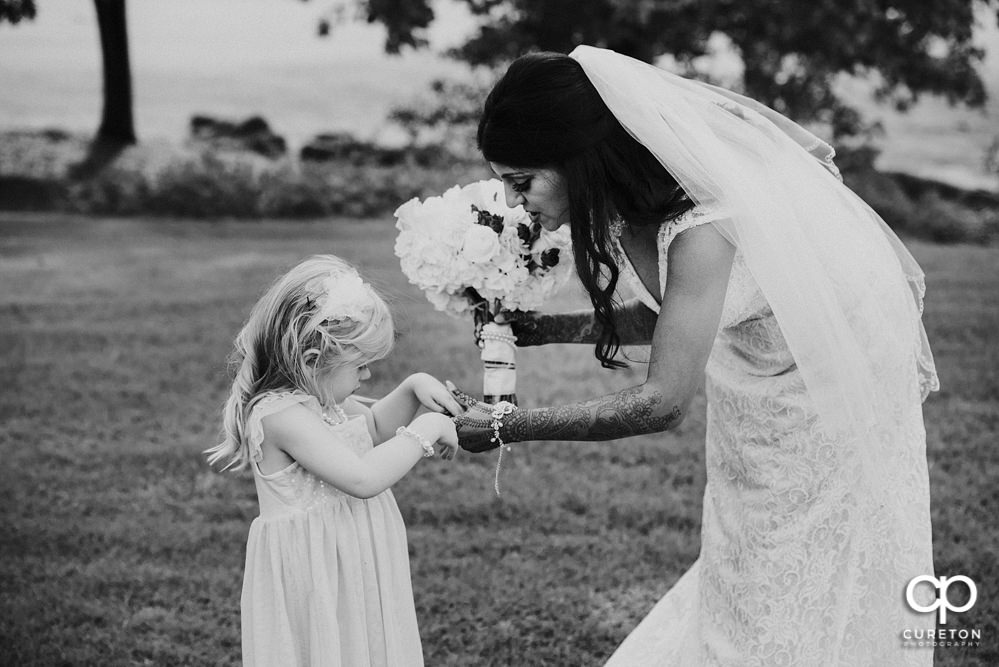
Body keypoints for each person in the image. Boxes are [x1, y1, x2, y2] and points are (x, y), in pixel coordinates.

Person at [450, 46, 939, 665]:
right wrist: (540, 329)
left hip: (826, 408)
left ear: (580, 158)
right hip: (758, 392)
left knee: (795, 569)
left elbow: (663, 402)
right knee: (746, 553)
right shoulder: (638, 208)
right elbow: (679, 315)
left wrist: (505, 424)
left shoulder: (706, 223)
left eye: (522, 182)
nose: (517, 203)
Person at [205, 255, 464, 667]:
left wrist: (414, 388)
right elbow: (363, 479)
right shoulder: (282, 416)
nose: (366, 378)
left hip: (351, 565)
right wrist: (428, 428)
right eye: (360, 366)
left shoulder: (322, 401)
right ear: (311, 362)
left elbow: (376, 428)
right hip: (318, 578)